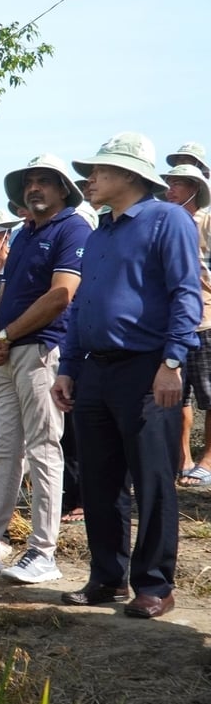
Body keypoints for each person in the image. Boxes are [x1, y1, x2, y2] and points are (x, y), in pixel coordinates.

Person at [53, 133, 201, 618]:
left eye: (99, 171)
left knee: (152, 478)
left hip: (147, 367)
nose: (89, 180)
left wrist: (172, 361)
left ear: (130, 174)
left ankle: (155, 584)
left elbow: (185, 293)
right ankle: (106, 576)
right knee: (98, 480)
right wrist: (69, 367)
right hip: (94, 371)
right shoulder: (98, 234)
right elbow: (81, 310)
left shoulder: (168, 219)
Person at [0, 154, 89, 583]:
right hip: (9, 355)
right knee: (4, 451)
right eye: (29, 181)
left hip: (42, 352)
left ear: (63, 189)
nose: (35, 188)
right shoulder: (25, 233)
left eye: (44, 181)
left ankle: (43, 552)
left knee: (44, 448)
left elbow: (60, 296)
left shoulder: (73, 228)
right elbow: (6, 294)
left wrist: (6, 336)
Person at [161, 165, 211, 486]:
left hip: (206, 320)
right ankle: (183, 459)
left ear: (194, 188)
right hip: (173, 323)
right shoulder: (165, 223)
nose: (170, 189)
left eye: (177, 184)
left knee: (210, 394)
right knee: (179, 397)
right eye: (169, 183)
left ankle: (207, 459)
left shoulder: (206, 221)